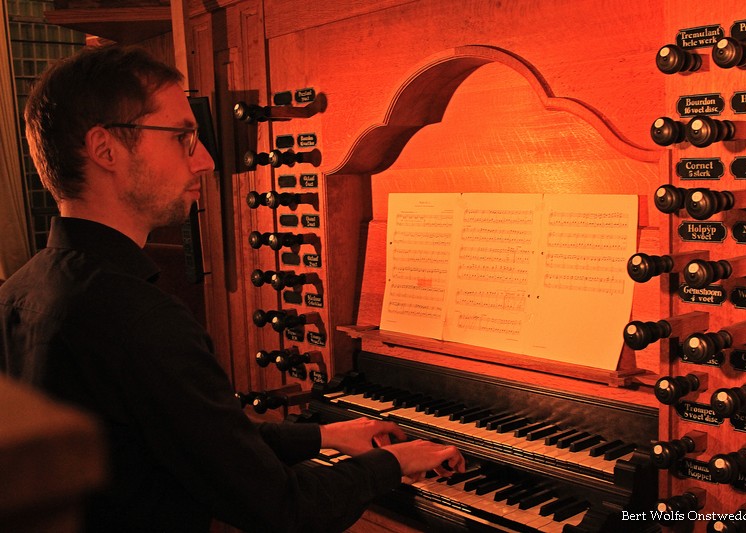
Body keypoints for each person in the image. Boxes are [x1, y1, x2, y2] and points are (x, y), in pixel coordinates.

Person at [0, 45, 465, 532]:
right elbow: (284, 508)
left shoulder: (20, 293)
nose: (204, 160)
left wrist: (325, 435)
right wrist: (393, 462)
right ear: (105, 149)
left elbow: (194, 439)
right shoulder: (139, 320)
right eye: (183, 136)